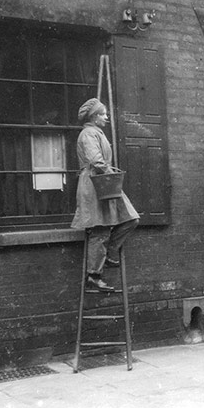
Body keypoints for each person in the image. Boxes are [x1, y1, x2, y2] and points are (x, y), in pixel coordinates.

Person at [71, 98, 139, 292]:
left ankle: (110, 254)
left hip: (104, 182)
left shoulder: (96, 132)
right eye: (103, 114)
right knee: (99, 229)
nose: (107, 117)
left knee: (131, 218)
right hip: (95, 183)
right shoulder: (88, 134)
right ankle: (93, 276)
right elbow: (96, 161)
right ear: (94, 116)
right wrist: (111, 174)